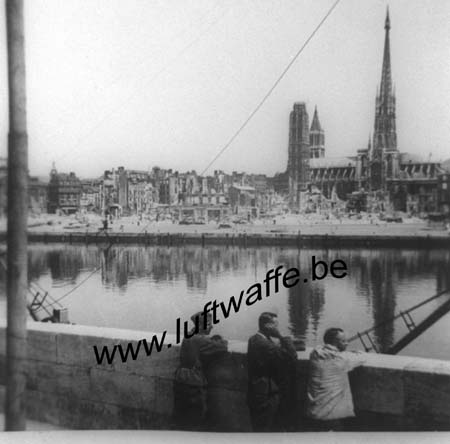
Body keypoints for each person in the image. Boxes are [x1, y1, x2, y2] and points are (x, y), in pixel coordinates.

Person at [173, 311, 228, 431]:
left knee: (181, 418)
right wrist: (220, 339)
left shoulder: (189, 335)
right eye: (208, 324)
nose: (211, 326)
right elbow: (223, 347)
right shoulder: (200, 340)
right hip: (193, 383)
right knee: (196, 418)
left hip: (180, 379)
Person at [247, 311, 298, 432]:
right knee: (265, 429)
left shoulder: (254, 338)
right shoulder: (264, 344)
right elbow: (292, 356)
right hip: (265, 394)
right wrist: (281, 336)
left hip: (258, 391)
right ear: (267, 326)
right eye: (275, 325)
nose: (277, 328)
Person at [306, 327, 365, 431]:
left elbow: (329, 352)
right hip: (330, 414)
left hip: (313, 410)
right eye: (343, 341)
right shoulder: (340, 360)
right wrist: (355, 353)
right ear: (334, 342)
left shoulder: (315, 354)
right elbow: (361, 359)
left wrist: (346, 351)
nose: (347, 343)